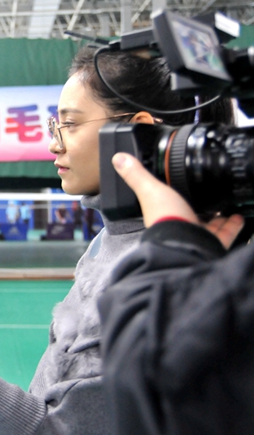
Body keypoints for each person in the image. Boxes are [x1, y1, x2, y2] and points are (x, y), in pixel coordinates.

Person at [0, 46, 234, 435]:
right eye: (55, 125)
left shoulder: (157, 276)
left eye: (70, 124)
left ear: (139, 133)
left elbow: (55, 429)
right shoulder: (109, 240)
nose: (53, 143)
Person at [98, 152, 248, 435]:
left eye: (68, 128)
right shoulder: (100, 246)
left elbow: (146, 373)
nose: (55, 145)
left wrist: (171, 243)